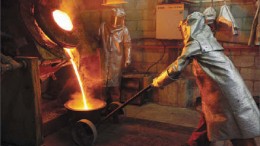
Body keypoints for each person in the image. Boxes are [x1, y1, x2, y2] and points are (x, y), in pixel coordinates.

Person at [152, 12, 260, 146]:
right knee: (209, 119)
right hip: (223, 90)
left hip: (224, 94)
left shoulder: (196, 43)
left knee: (235, 128)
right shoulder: (208, 40)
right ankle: (196, 143)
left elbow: (177, 67)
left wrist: (157, 82)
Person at [98, 8, 131, 105]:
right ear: (111, 17)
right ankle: (101, 106)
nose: (116, 21)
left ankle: (115, 107)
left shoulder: (124, 30)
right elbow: (97, 40)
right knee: (103, 85)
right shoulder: (103, 27)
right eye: (114, 18)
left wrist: (127, 59)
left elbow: (127, 45)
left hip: (116, 61)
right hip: (104, 60)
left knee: (115, 85)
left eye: (118, 18)